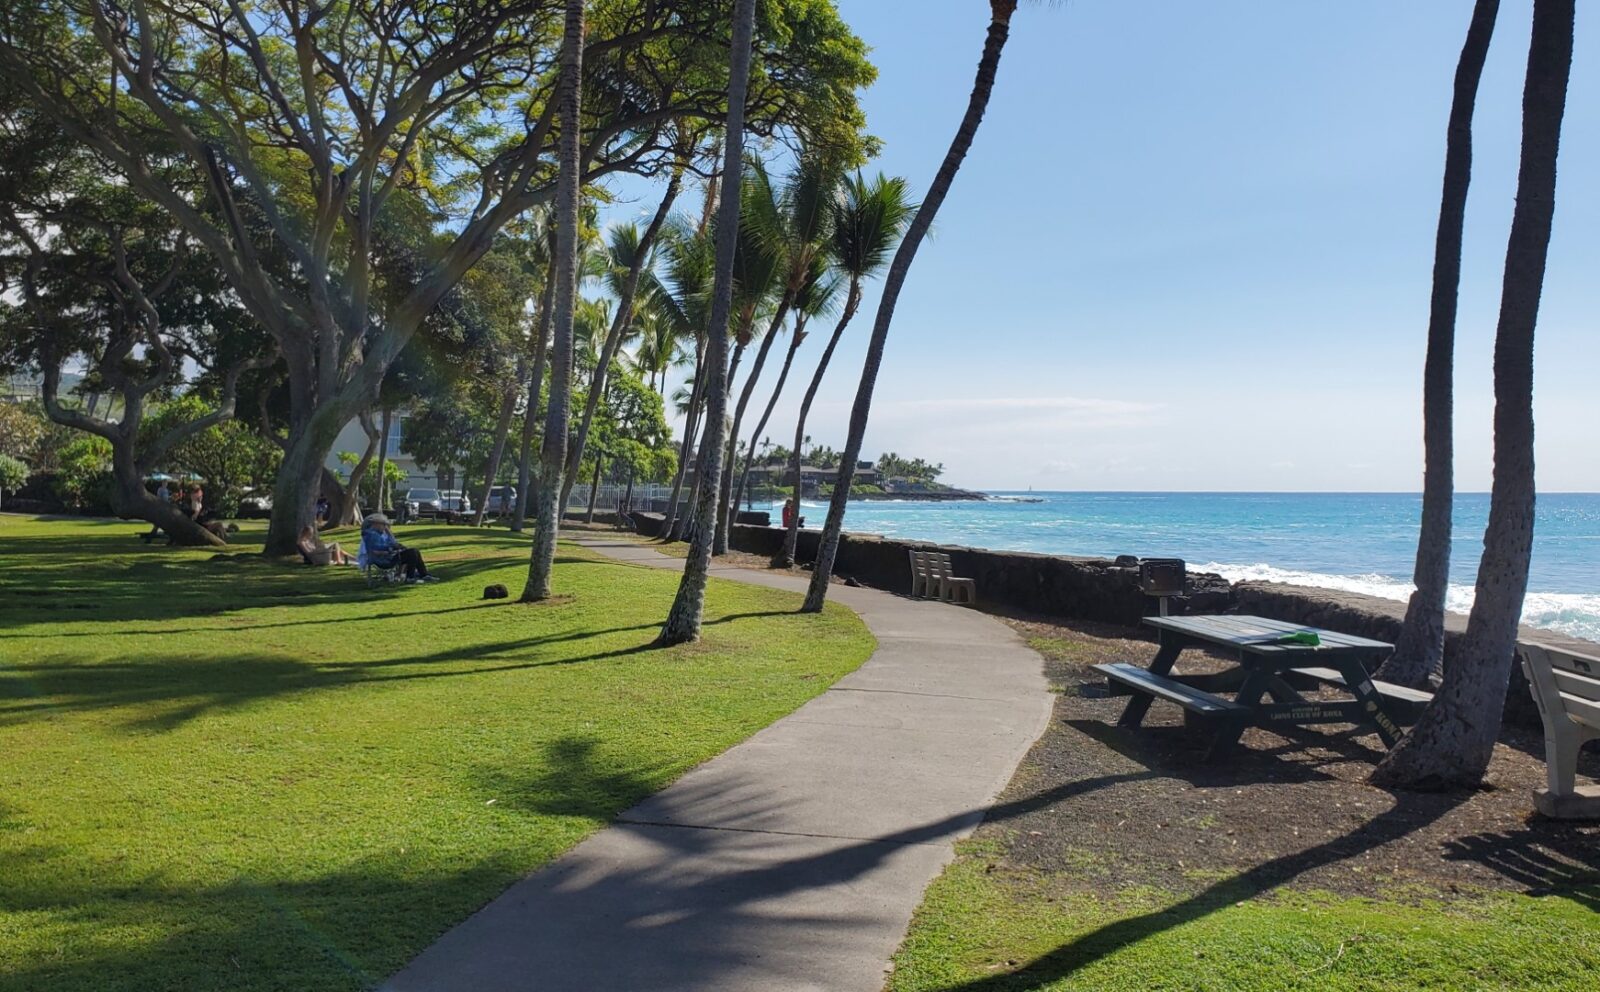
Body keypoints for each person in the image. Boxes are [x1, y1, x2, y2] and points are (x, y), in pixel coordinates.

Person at [359, 513, 436, 583]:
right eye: (384, 525)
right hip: (384, 560)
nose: (385, 527)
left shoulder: (379, 534)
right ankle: (413, 576)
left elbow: (392, 542)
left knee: (414, 551)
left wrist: (389, 534)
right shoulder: (372, 535)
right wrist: (391, 548)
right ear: (376, 524)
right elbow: (376, 548)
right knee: (412, 552)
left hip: (388, 557)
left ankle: (421, 575)